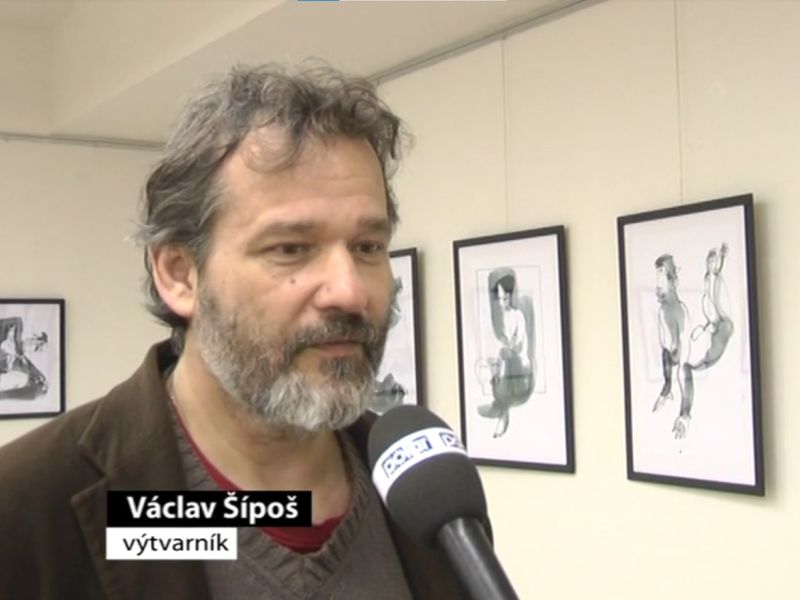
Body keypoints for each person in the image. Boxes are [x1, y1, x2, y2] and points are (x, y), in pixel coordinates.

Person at [0, 64, 467, 599]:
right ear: (180, 275)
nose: (349, 292)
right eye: (290, 248)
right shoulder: (31, 508)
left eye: (367, 247)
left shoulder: (425, 495)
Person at [476, 268, 534, 438]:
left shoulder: (518, 315)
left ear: (510, 296)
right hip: (504, 358)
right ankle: (501, 407)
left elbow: (519, 341)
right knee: (485, 365)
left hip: (517, 362)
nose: (502, 303)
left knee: (505, 366)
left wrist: (509, 346)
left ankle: (503, 412)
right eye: (500, 299)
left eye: (505, 298)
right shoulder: (499, 318)